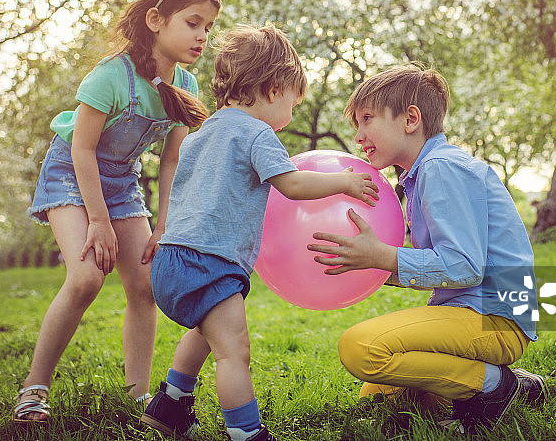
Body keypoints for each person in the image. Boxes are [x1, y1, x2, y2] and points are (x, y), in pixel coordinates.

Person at [140, 25, 380, 441]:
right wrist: (343, 183)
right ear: (273, 89)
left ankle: (169, 406)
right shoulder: (256, 133)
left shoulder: (202, 135)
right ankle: (245, 432)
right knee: (234, 351)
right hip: (210, 262)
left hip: (171, 261)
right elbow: (294, 185)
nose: (289, 115)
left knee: (203, 331)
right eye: (291, 100)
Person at [14, 0, 221, 424]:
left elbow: (171, 161)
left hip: (123, 183)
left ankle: (137, 395)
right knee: (86, 278)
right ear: (155, 21)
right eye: (192, 22)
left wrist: (163, 223)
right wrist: (99, 221)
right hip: (72, 173)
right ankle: (33, 390)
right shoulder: (110, 76)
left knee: (144, 285)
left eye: (208, 26)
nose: (202, 35)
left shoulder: (185, 87)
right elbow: (82, 151)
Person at [307, 64, 548, 434]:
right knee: (380, 396)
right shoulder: (420, 176)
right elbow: (436, 266)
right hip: (471, 313)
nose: (358, 136)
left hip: (494, 318)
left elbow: (464, 267)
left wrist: (381, 257)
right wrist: (363, 263)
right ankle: (515, 384)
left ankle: (497, 387)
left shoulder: (441, 168)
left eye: (366, 119)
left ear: (411, 119)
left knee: (360, 348)